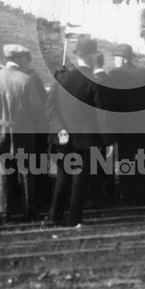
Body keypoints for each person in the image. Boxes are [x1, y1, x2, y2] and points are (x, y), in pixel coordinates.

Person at [0, 44, 48, 223]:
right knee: (27, 172)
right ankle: (29, 209)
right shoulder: (26, 80)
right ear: (19, 60)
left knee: (3, 171)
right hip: (24, 131)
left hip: (1, 130)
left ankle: (4, 210)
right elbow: (37, 109)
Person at [45, 37, 103, 226]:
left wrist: (60, 128)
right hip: (85, 140)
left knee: (63, 176)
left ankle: (55, 215)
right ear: (93, 57)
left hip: (62, 138)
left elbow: (50, 107)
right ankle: (75, 218)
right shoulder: (95, 82)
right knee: (80, 179)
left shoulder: (61, 78)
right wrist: (106, 141)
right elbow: (101, 116)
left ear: (78, 56)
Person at [99, 43, 145, 203]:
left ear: (122, 59)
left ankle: (128, 193)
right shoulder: (142, 72)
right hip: (142, 125)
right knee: (141, 159)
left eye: (116, 57)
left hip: (124, 126)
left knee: (126, 159)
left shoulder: (115, 74)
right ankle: (143, 193)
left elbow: (110, 101)